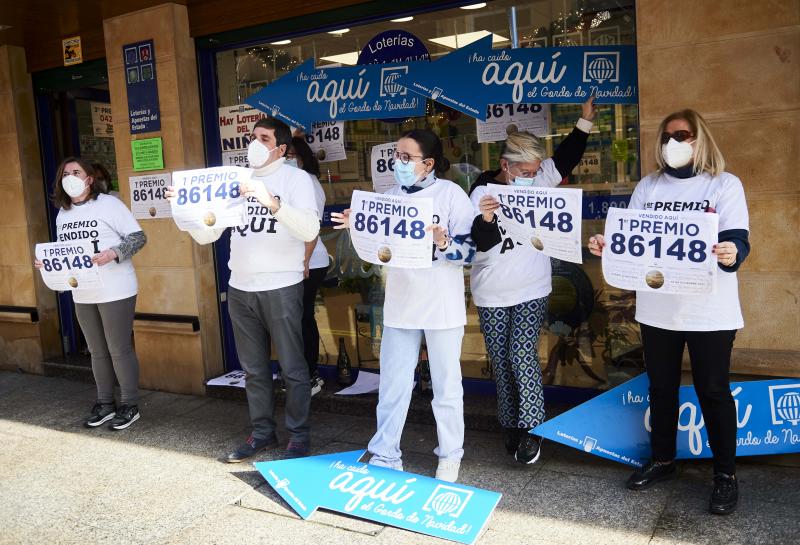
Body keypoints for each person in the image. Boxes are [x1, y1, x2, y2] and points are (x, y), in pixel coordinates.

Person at [588, 109, 749, 515]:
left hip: (710, 311)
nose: (673, 142)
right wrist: (608, 247)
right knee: (661, 389)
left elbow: (736, 240)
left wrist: (733, 254)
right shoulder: (649, 185)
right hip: (658, 310)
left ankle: (725, 476)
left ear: (701, 139)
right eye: (667, 136)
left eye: (683, 135)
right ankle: (663, 460)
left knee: (713, 391)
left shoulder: (724, 185)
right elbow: (632, 241)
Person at [168, 117, 320, 462]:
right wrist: (189, 211)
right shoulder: (236, 178)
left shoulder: (296, 179)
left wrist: (272, 203)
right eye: (253, 137)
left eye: (263, 138)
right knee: (253, 369)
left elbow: (310, 229)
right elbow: (209, 234)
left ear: (281, 148)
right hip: (240, 287)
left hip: (281, 285)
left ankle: (299, 435)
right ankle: (262, 432)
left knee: (294, 369)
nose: (254, 143)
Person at [331, 129, 475, 482]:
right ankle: (384, 452)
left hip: (441, 305)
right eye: (397, 155)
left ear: (428, 163)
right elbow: (375, 252)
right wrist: (356, 227)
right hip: (400, 303)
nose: (399, 162)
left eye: (407, 157)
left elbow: (469, 254)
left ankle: (450, 454)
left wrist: (443, 240)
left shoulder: (452, 195)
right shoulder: (389, 196)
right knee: (393, 384)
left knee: (446, 385)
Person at [469, 97, 596, 465]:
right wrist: (487, 220)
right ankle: (510, 423)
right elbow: (478, 244)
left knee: (521, 354)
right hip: (492, 291)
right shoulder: (480, 193)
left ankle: (531, 428)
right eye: (523, 170)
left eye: (535, 169)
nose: (531, 176)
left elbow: (568, 156)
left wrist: (585, 121)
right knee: (501, 359)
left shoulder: (541, 180)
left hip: (532, 287)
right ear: (505, 166)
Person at [36, 157, 147, 430]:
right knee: (97, 352)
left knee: (118, 349)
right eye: (65, 173)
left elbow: (138, 237)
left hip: (116, 288)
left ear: (89, 178)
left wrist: (113, 253)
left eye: (76, 172)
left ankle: (130, 405)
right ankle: (105, 403)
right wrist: (50, 264)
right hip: (83, 292)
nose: (70, 176)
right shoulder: (63, 213)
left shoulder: (109, 204)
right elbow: (68, 254)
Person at [286, 136, 328, 396]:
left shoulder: (308, 183)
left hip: (309, 260)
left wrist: (303, 261)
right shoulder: (291, 182)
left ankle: (311, 375)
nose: (287, 160)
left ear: (302, 158)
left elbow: (311, 228)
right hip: (293, 261)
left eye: (291, 155)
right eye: (285, 155)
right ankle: (298, 374)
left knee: (302, 318)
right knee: (292, 320)